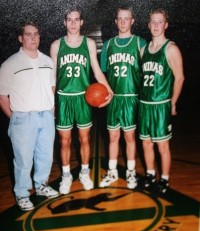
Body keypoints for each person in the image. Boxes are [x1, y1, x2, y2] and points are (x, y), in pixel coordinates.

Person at [50, 7, 113, 195]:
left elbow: (97, 70)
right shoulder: (56, 45)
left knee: (84, 139)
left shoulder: (89, 44)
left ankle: (84, 172)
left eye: (76, 20)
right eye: (69, 20)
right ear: (64, 22)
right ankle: (67, 175)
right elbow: (52, 77)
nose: (73, 23)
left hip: (83, 98)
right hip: (64, 98)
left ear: (82, 22)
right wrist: (52, 102)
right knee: (64, 142)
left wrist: (109, 90)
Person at [0, 21, 59, 211]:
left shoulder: (48, 61)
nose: (32, 38)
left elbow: (52, 88)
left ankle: (41, 185)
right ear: (20, 38)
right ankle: (22, 194)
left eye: (35, 34)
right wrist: (15, 118)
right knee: (24, 161)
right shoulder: (10, 64)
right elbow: (2, 96)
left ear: (39, 37)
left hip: (46, 117)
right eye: (28, 34)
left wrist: (52, 111)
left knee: (45, 156)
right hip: (23, 118)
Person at [100, 5, 146, 189]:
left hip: (131, 97)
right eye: (120, 18)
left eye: (127, 18)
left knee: (129, 137)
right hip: (114, 97)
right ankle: (112, 172)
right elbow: (103, 74)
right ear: (116, 21)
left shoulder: (140, 43)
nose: (123, 22)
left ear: (132, 21)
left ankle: (131, 173)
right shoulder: (108, 45)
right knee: (112, 137)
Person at [139, 8, 185, 193]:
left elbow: (180, 77)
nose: (156, 25)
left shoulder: (171, 48)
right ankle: (150, 175)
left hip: (160, 104)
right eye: (153, 22)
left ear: (165, 25)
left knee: (162, 145)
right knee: (146, 143)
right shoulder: (143, 50)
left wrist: (173, 102)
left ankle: (164, 179)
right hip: (145, 104)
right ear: (149, 24)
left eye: (160, 22)